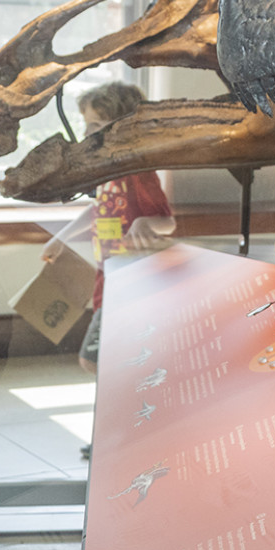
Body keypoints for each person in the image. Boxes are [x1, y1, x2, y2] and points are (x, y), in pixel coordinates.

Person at [42, 81, 176, 381]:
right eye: (87, 126)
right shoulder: (107, 172)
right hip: (109, 273)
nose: (88, 134)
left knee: (96, 361)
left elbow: (167, 221)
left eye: (96, 125)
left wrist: (144, 222)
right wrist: (61, 238)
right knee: (114, 359)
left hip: (133, 280)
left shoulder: (138, 171)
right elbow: (99, 209)